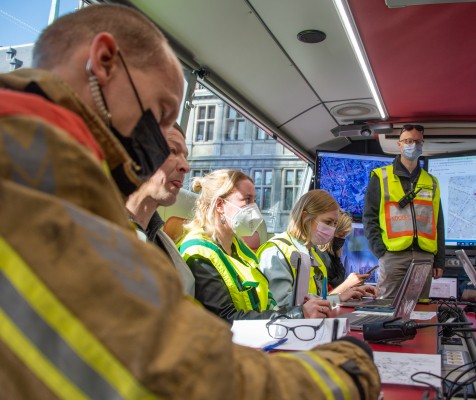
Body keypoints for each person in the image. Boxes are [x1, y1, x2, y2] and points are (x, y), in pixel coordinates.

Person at [0, 5, 381, 399]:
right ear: (104, 62)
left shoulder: (54, 174)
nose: (165, 147)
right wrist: (346, 371)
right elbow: (181, 376)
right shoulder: (36, 178)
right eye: (163, 114)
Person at [178, 169, 332, 322]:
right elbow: (226, 318)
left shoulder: (239, 248)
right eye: (247, 200)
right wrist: (298, 314)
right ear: (220, 205)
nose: (254, 208)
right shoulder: (197, 253)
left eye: (254, 200)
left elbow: (267, 301)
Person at [363, 124, 445, 299]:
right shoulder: (380, 176)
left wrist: (439, 260)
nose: (413, 145)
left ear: (422, 145)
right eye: (408, 141)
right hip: (393, 255)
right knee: (387, 307)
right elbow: (369, 218)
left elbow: (438, 223)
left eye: (417, 142)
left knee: (420, 308)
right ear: (399, 145)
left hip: (424, 256)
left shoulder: (432, 181)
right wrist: (381, 252)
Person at [258, 190, 376, 307]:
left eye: (335, 224)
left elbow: (318, 302)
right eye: (328, 222)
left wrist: (340, 298)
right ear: (305, 217)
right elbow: (281, 306)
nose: (332, 229)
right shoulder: (276, 253)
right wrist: (339, 296)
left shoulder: (312, 255)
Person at [126, 123, 195, 296]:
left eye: (186, 156)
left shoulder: (162, 240)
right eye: (172, 150)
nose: (186, 167)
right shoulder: (98, 228)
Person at [316, 212, 372, 293]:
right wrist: (347, 284)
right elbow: (323, 298)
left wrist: (356, 288)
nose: (342, 240)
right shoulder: (318, 258)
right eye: (340, 235)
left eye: (344, 236)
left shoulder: (334, 258)